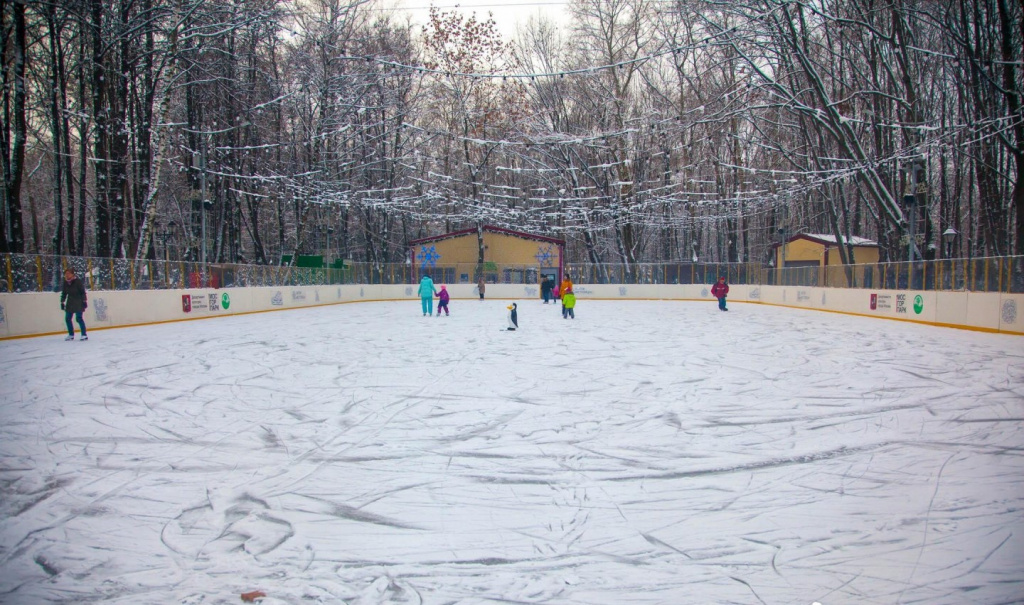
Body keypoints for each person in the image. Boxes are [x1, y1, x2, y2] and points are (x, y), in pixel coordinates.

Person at [60, 268, 88, 341]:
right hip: (70, 302)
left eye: (68, 273)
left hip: (78, 302)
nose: (67, 275)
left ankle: (84, 334)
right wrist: (62, 302)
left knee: (79, 318)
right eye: (66, 274)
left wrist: (84, 301)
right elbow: (64, 293)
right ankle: (71, 334)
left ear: (72, 274)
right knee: (67, 318)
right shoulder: (65, 283)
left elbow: (82, 292)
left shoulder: (77, 282)